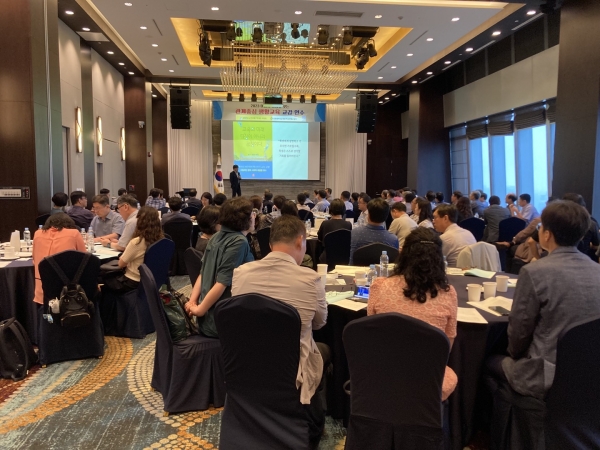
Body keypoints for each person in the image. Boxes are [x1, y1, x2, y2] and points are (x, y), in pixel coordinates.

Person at [488, 201, 600, 403]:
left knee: (487, 360)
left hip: (544, 376)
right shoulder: (597, 271)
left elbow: (518, 336)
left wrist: (514, 354)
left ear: (546, 235)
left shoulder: (535, 272)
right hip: (590, 373)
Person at [231, 215, 329, 448]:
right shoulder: (311, 279)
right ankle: (313, 417)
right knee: (323, 351)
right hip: (292, 369)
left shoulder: (241, 273)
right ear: (300, 241)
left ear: (270, 244)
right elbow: (320, 324)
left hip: (246, 362)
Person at [368, 227, 458, 401]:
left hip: (383, 372)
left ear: (404, 254)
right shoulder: (449, 294)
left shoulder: (379, 286)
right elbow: (446, 347)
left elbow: (371, 332)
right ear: (439, 259)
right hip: (427, 379)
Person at [185, 197, 255, 337]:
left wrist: (193, 302)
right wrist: (199, 310)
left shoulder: (216, 236)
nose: (254, 216)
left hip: (208, 319)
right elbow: (222, 282)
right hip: (222, 322)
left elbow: (203, 273)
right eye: (252, 213)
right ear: (245, 219)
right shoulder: (239, 241)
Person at [102, 206, 164, 293]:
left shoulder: (137, 242)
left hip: (132, 281)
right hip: (152, 280)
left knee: (103, 280)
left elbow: (121, 264)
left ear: (140, 221)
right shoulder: (161, 240)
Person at [32, 213, 86, 305]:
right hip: (69, 289)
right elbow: (84, 259)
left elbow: (34, 258)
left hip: (42, 288)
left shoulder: (37, 234)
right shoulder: (74, 233)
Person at [349, 198, 399, 265]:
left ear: (368, 215)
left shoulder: (354, 233)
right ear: (386, 217)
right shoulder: (393, 239)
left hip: (356, 270)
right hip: (383, 271)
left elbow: (351, 260)